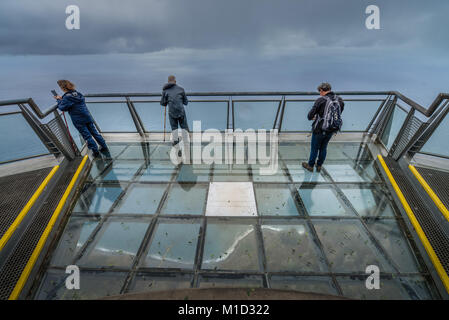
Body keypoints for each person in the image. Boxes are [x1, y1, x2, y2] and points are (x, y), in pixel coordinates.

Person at [54, 80, 110, 158]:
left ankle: (95, 151)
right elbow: (71, 102)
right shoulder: (78, 94)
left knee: (87, 136)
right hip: (87, 116)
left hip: (78, 119)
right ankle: (104, 146)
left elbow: (63, 107)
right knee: (94, 132)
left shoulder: (67, 97)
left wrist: (58, 100)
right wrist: (62, 99)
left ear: (63, 88)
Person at [302, 82, 344, 172]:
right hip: (331, 129)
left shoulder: (320, 100)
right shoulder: (339, 100)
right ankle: (319, 165)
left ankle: (310, 165)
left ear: (321, 90)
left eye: (319, 91)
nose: (319, 93)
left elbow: (310, 116)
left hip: (319, 129)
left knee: (314, 148)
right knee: (324, 147)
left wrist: (316, 117)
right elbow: (339, 113)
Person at [160, 75, 189, 146]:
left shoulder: (165, 91)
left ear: (168, 82)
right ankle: (186, 141)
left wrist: (167, 100)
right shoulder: (181, 89)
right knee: (184, 127)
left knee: (174, 128)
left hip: (172, 112)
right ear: (175, 81)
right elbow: (186, 102)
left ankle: (176, 142)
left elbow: (163, 103)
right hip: (181, 111)